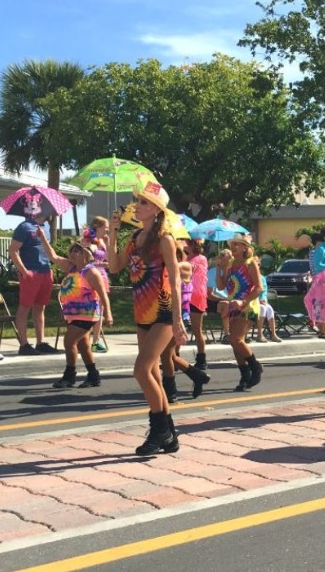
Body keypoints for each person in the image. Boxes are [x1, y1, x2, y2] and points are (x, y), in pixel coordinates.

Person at [108, 181, 187, 455]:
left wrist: (178, 320)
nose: (137, 206)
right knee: (152, 371)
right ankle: (168, 434)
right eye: (136, 201)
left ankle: (159, 430)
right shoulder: (133, 239)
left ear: (155, 209)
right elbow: (115, 266)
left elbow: (176, 281)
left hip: (163, 309)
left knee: (141, 370)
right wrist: (112, 234)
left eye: (142, 202)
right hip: (142, 309)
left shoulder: (164, 239)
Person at [37, 229, 111, 389]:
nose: (73, 254)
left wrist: (109, 315)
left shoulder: (91, 272)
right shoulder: (71, 267)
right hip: (72, 314)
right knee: (83, 345)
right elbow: (53, 256)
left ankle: (69, 376)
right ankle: (93, 376)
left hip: (87, 313)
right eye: (72, 251)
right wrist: (43, 237)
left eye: (77, 251)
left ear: (86, 254)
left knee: (69, 341)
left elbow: (103, 294)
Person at [160, 243, 210, 401]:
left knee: (166, 355)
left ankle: (171, 390)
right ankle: (197, 376)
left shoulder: (185, 266)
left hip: (180, 318)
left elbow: (169, 268)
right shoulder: (171, 268)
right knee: (169, 355)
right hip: (169, 316)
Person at [8, 199, 57, 356]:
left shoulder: (46, 226)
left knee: (40, 307)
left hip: (45, 271)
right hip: (31, 272)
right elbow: (13, 250)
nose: (51, 210)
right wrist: (24, 271)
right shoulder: (24, 227)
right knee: (25, 308)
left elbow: (46, 250)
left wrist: (51, 268)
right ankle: (24, 344)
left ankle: (40, 342)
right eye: (48, 207)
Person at [218, 233, 265, 391]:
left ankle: (255, 367)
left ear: (245, 247)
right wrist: (220, 268)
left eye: (238, 244)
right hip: (234, 306)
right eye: (233, 244)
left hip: (248, 306)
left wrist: (244, 301)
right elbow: (221, 286)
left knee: (236, 339)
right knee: (234, 342)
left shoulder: (250, 263)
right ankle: (245, 375)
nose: (234, 247)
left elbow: (259, 288)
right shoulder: (230, 263)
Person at [82, 216, 111, 352]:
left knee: (100, 308)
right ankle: (85, 339)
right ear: (98, 227)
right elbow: (85, 258)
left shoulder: (104, 241)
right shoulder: (88, 240)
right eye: (105, 227)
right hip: (91, 276)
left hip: (102, 275)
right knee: (90, 308)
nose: (107, 229)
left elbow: (110, 259)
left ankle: (96, 341)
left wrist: (108, 244)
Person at [186, 238, 211, 371]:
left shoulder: (201, 259)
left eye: (187, 244)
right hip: (184, 296)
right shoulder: (185, 259)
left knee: (197, 329)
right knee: (177, 329)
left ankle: (201, 358)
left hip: (196, 297)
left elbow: (189, 269)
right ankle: (175, 356)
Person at [206, 249, 232, 344]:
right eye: (226, 259)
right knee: (226, 304)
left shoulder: (232, 272)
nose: (228, 261)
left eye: (230, 259)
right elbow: (209, 294)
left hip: (230, 299)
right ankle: (227, 334)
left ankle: (238, 333)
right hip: (214, 301)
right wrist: (224, 298)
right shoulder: (212, 272)